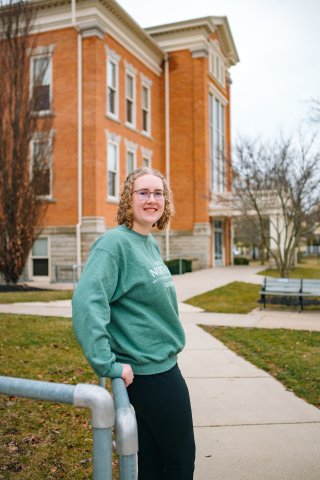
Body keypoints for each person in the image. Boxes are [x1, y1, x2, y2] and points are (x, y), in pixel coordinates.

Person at [72, 167, 195, 479]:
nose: (152, 199)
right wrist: (107, 364)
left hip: (165, 365)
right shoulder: (114, 245)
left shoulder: (149, 243)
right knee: (180, 461)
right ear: (128, 199)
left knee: (154, 461)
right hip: (149, 374)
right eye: (144, 192)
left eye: (158, 193)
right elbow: (88, 304)